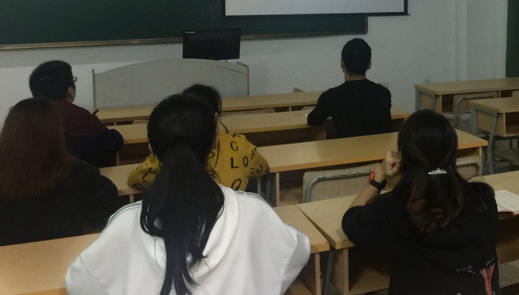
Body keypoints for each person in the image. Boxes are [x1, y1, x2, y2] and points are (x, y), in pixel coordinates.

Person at [66, 93, 310, 295]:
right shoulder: (252, 212)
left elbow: (79, 282)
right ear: (214, 142)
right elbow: (296, 252)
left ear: (151, 147)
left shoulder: (127, 224)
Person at [342, 110, 500, 295]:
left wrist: (379, 176)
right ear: (452, 153)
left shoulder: (393, 209)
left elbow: (351, 220)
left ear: (403, 158)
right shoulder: (484, 199)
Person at [0, 98, 119, 245]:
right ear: (57, 131)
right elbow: (109, 204)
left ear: (8, 132)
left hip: (7, 258)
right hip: (67, 255)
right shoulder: (79, 172)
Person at [128, 84, 268, 191]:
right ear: (215, 118)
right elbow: (262, 169)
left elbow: (135, 180)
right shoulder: (240, 145)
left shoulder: (166, 155)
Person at [29, 60, 123, 167]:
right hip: (80, 176)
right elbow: (113, 142)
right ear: (70, 91)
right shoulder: (81, 118)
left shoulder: (21, 119)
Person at [307, 38, 392, 138]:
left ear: (342, 63)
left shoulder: (331, 96)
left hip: (345, 148)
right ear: (369, 64)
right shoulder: (383, 93)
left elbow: (312, 121)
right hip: (379, 147)